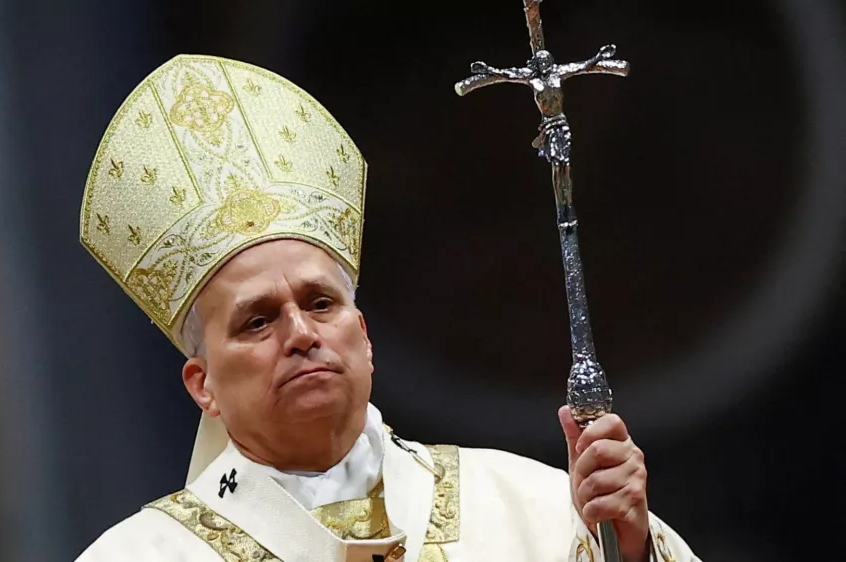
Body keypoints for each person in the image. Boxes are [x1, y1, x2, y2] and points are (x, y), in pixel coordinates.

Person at [75, 53, 701, 562]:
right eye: (257, 320)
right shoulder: (146, 554)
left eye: (321, 303)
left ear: (364, 335)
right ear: (202, 384)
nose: (300, 333)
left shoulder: (533, 509)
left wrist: (632, 546)